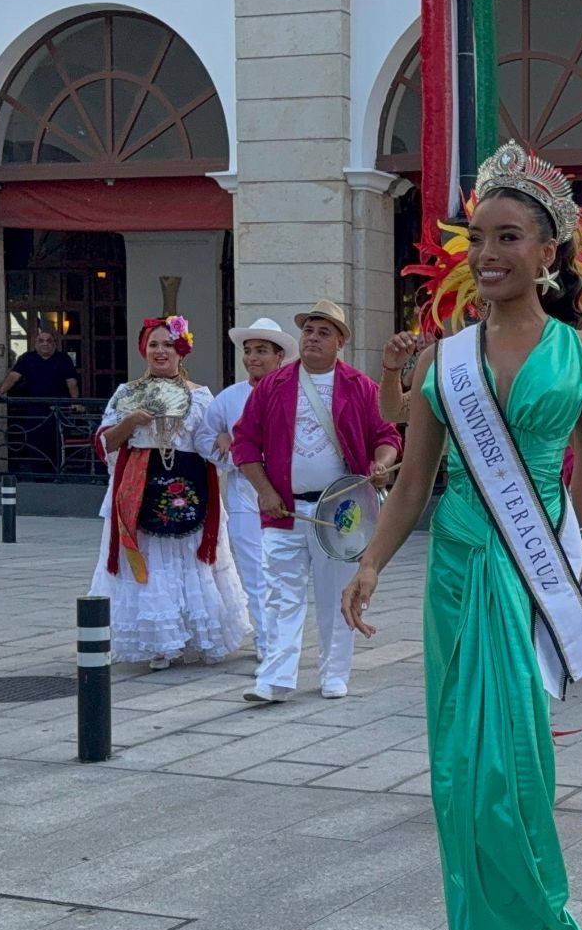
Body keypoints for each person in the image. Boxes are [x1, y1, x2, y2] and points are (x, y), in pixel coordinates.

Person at [340, 141, 582, 930]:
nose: (488, 254)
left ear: (552, 252)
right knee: (462, 781)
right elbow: (414, 481)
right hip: (458, 577)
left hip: (534, 575)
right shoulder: (444, 360)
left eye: (510, 237)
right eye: (479, 239)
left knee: (517, 781)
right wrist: (373, 563)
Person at [232, 300, 401, 703]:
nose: (312, 338)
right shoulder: (273, 385)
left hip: (341, 514)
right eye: (308, 330)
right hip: (283, 511)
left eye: (324, 332)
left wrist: (381, 463)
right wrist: (265, 491)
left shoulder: (360, 387)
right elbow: (244, 443)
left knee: (337, 594)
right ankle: (275, 678)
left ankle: (334, 675)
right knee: (279, 594)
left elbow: (388, 437)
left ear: (340, 342)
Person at [88, 316, 249, 670]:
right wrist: (129, 423)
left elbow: (208, 442)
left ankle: (193, 635)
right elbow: (104, 445)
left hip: (190, 482)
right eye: (154, 344)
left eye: (167, 344)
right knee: (149, 556)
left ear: (182, 349)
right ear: (144, 349)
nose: (160, 351)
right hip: (139, 484)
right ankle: (158, 642)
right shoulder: (126, 394)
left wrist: (223, 439)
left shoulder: (201, 395)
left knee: (189, 557)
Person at [207, 317, 293, 639]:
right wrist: (223, 442)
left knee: (285, 571)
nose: (252, 358)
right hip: (245, 493)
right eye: (248, 350)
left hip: (288, 494)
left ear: (279, 356)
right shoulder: (229, 397)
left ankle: (285, 635)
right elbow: (206, 434)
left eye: (261, 351)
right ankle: (266, 639)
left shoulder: (295, 393)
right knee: (255, 570)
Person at [0, 329, 80, 473]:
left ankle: (56, 474)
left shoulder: (63, 359)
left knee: (55, 443)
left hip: (57, 411)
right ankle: (38, 475)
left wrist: (76, 402)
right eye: (41, 341)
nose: (45, 344)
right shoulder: (27, 358)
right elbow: (13, 377)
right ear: (35, 344)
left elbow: (72, 382)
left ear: (54, 344)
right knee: (34, 443)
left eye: (48, 340)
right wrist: (0, 392)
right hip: (34, 410)